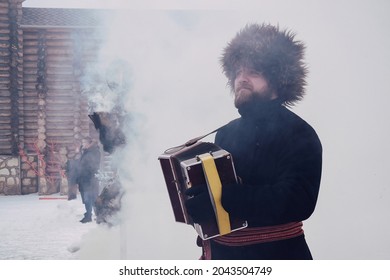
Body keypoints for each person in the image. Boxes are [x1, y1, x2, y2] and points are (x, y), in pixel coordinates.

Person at [185, 23, 322, 259]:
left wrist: (225, 197)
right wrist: (200, 206)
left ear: (278, 82)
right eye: (238, 72)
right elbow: (221, 199)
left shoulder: (300, 134)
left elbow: (298, 202)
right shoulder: (225, 133)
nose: (242, 78)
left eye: (253, 72)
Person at [77, 137, 101, 223]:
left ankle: (89, 216)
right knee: (91, 198)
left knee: (89, 198)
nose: (82, 144)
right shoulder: (87, 151)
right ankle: (96, 215)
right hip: (86, 179)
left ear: (89, 143)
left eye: (84, 142)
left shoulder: (93, 152)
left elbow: (92, 165)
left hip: (90, 179)